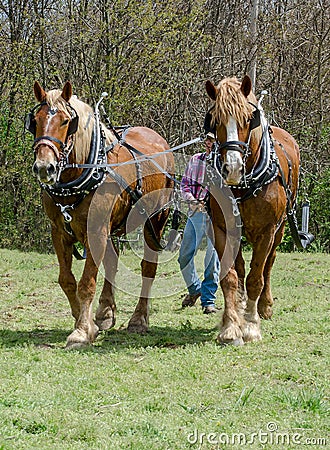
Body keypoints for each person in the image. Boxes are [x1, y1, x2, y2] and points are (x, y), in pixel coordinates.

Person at [178, 132, 220, 314]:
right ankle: (195, 289)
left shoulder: (227, 162)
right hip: (196, 213)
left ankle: (208, 300)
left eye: (214, 140)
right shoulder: (195, 160)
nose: (210, 143)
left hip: (218, 217)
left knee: (212, 258)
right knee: (184, 256)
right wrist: (193, 200)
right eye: (208, 140)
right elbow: (185, 185)